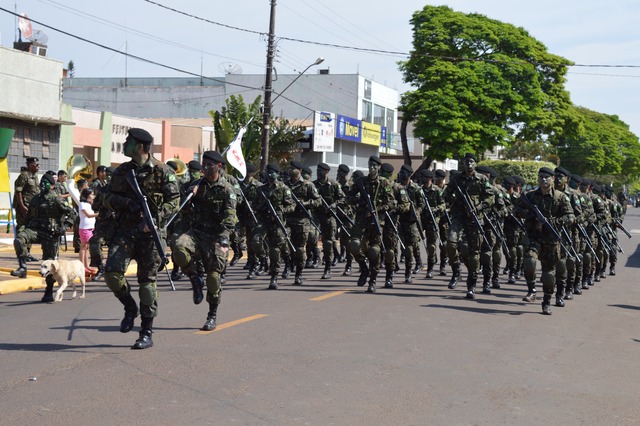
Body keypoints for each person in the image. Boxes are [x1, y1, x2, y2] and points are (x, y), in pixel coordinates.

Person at [103, 128, 180, 350]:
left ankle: (146, 331)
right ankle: (129, 306)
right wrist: (127, 203)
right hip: (125, 232)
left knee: (147, 284)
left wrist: (155, 219)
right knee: (112, 274)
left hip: (150, 235)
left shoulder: (163, 171)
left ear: (139, 146)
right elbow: (107, 198)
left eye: (128, 141)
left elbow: (174, 201)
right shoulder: (123, 172)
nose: (125, 144)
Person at [170, 151, 237, 331]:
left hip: (216, 237)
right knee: (178, 248)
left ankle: (212, 314)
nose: (205, 169)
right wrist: (189, 196)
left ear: (219, 167)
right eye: (204, 165)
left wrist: (224, 237)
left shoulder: (226, 189)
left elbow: (230, 217)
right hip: (196, 233)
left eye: (209, 166)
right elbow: (182, 212)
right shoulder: (196, 185)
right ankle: (194, 277)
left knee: (214, 278)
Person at [514, 167, 574, 315]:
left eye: (547, 177)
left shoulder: (560, 197)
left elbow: (570, 217)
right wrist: (532, 217)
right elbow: (517, 211)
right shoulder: (530, 196)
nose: (544, 179)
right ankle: (532, 290)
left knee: (549, 274)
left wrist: (552, 222)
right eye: (541, 177)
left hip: (552, 240)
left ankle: (547, 301)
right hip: (534, 237)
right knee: (529, 261)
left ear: (552, 179)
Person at [11, 173, 77, 302]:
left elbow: (72, 213)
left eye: (46, 182)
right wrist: (23, 228)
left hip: (51, 234)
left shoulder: (56, 199)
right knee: (19, 240)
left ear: (52, 185)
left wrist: (64, 227)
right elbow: (29, 216)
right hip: (35, 229)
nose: (42, 184)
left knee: (50, 263)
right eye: (41, 181)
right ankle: (23, 267)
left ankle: (48, 291)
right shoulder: (36, 199)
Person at [443, 153, 495, 299]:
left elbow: (490, 198)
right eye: (466, 161)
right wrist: (453, 198)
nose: (469, 164)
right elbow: (446, 194)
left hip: (474, 219)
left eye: (471, 161)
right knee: (451, 243)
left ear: (475, 163)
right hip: (459, 216)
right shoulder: (456, 178)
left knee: (474, 254)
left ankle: (471, 285)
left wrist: (477, 207)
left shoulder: (482, 179)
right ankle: (456, 270)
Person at [347, 156, 395, 293]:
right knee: (354, 245)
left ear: (379, 167)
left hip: (376, 221)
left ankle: (372, 279)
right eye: (370, 165)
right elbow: (348, 197)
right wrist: (358, 201)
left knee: (374, 251)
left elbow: (391, 203)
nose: (372, 168)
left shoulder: (384, 183)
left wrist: (376, 210)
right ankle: (363, 268)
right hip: (361, 219)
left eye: (375, 165)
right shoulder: (361, 181)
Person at [254, 163, 295, 289]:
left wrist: (280, 210)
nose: (270, 175)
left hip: (278, 222)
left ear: (276, 174)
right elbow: (255, 205)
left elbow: (292, 206)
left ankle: (275, 276)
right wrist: (262, 208)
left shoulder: (284, 188)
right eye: (268, 172)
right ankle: (263, 261)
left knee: (275, 250)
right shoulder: (261, 189)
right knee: (256, 240)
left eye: (272, 172)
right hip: (264, 221)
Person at [288, 160, 321, 285]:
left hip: (302, 222)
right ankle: (288, 265)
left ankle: (298, 274)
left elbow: (318, 201)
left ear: (300, 171)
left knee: (300, 249)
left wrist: (305, 204)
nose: (291, 170)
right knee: (286, 247)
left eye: (294, 168)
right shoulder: (285, 185)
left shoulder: (308, 185)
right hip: (287, 221)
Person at [313, 162, 344, 279]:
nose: (318, 172)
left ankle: (328, 268)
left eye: (320, 170)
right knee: (311, 235)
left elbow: (342, 198)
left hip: (329, 216)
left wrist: (333, 206)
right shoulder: (314, 185)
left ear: (326, 172)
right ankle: (316, 256)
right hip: (316, 214)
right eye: (317, 170)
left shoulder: (334, 184)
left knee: (328, 242)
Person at [13, 157, 41, 262]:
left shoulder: (35, 176)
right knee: (22, 230)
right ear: (31, 166)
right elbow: (18, 191)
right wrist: (22, 206)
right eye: (36, 165)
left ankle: (27, 253)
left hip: (31, 209)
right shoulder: (24, 175)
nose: (38, 166)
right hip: (23, 209)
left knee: (29, 231)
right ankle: (21, 255)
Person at [78, 187, 99, 273]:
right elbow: (88, 215)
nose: (93, 196)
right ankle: (82, 266)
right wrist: (98, 214)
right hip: (85, 228)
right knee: (83, 247)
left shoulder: (89, 204)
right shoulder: (82, 204)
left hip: (90, 227)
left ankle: (86, 265)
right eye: (91, 194)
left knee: (86, 247)